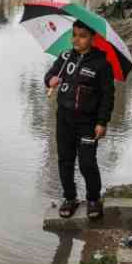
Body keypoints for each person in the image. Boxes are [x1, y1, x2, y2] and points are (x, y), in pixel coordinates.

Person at [44, 19, 115, 220]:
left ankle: (93, 199)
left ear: (92, 38)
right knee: (65, 161)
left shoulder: (102, 64)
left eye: (82, 36)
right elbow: (49, 74)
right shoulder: (65, 57)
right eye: (74, 35)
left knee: (86, 163)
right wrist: (50, 80)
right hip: (64, 120)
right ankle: (70, 198)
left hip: (88, 123)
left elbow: (108, 97)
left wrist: (102, 122)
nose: (77, 39)